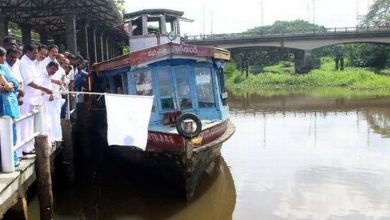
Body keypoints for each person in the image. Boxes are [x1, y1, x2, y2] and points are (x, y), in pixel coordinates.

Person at [19, 43, 52, 155]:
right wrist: (44, 88)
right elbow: (29, 82)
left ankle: (29, 145)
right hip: (27, 97)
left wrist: (42, 89)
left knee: (30, 123)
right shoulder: (24, 63)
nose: (36, 55)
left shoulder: (32, 62)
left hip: (35, 96)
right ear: (27, 52)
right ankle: (25, 148)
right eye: (34, 53)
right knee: (25, 122)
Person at [0, 46, 21, 166]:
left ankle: (12, 158)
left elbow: (15, 81)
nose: (4, 58)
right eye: (3, 56)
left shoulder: (4, 68)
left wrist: (11, 84)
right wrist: (3, 88)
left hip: (8, 106)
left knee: (11, 132)